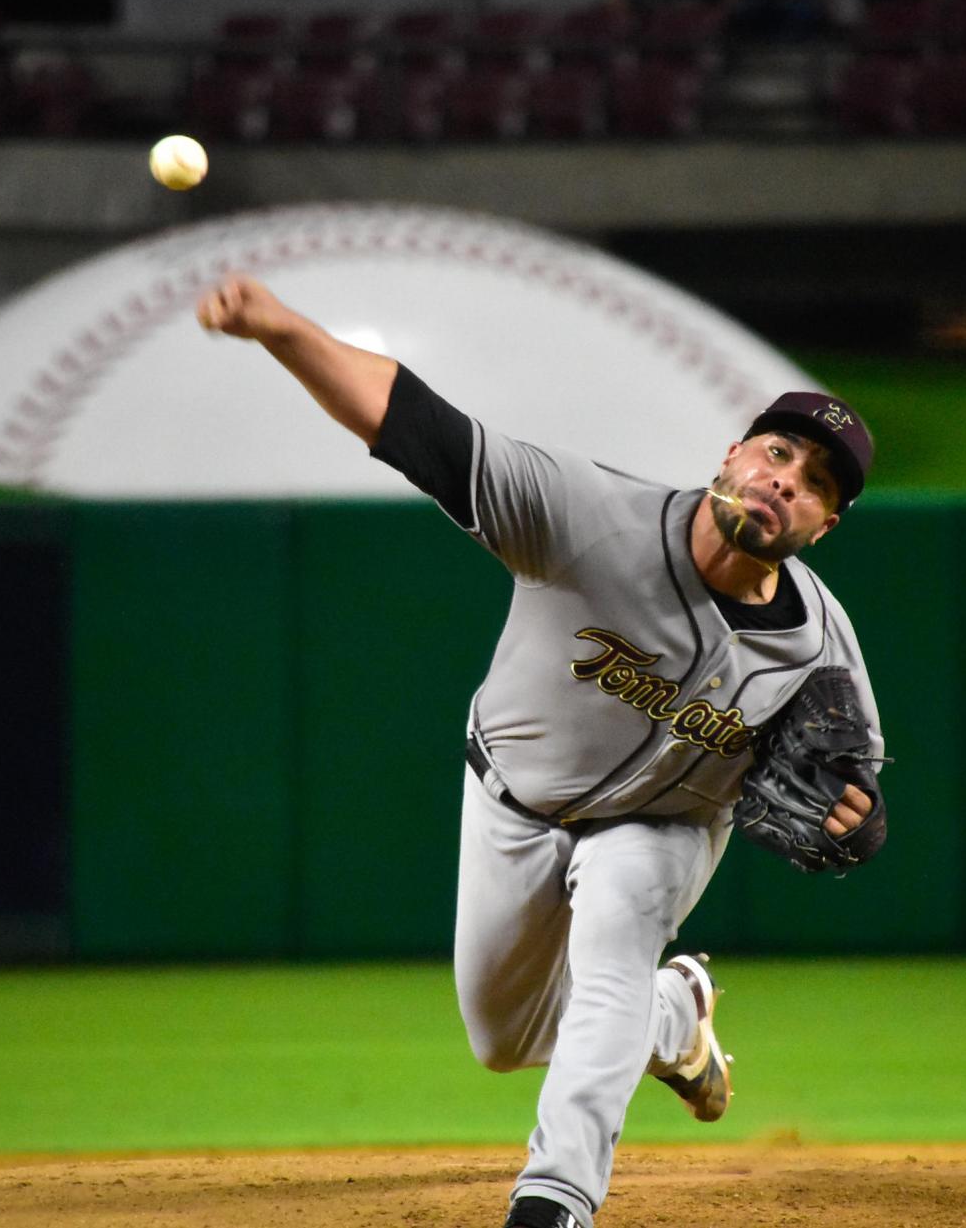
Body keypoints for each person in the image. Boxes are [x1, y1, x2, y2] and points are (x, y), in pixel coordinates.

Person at [195, 273, 884, 1228]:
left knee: (613, 940)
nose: (786, 481)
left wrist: (859, 817)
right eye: (778, 452)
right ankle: (673, 1016)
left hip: (667, 824)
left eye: (816, 484)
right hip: (512, 800)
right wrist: (278, 327)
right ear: (732, 454)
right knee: (504, 1033)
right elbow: (412, 422)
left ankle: (555, 1199)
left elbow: (855, 785)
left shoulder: (820, 647)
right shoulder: (588, 515)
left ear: (823, 525)